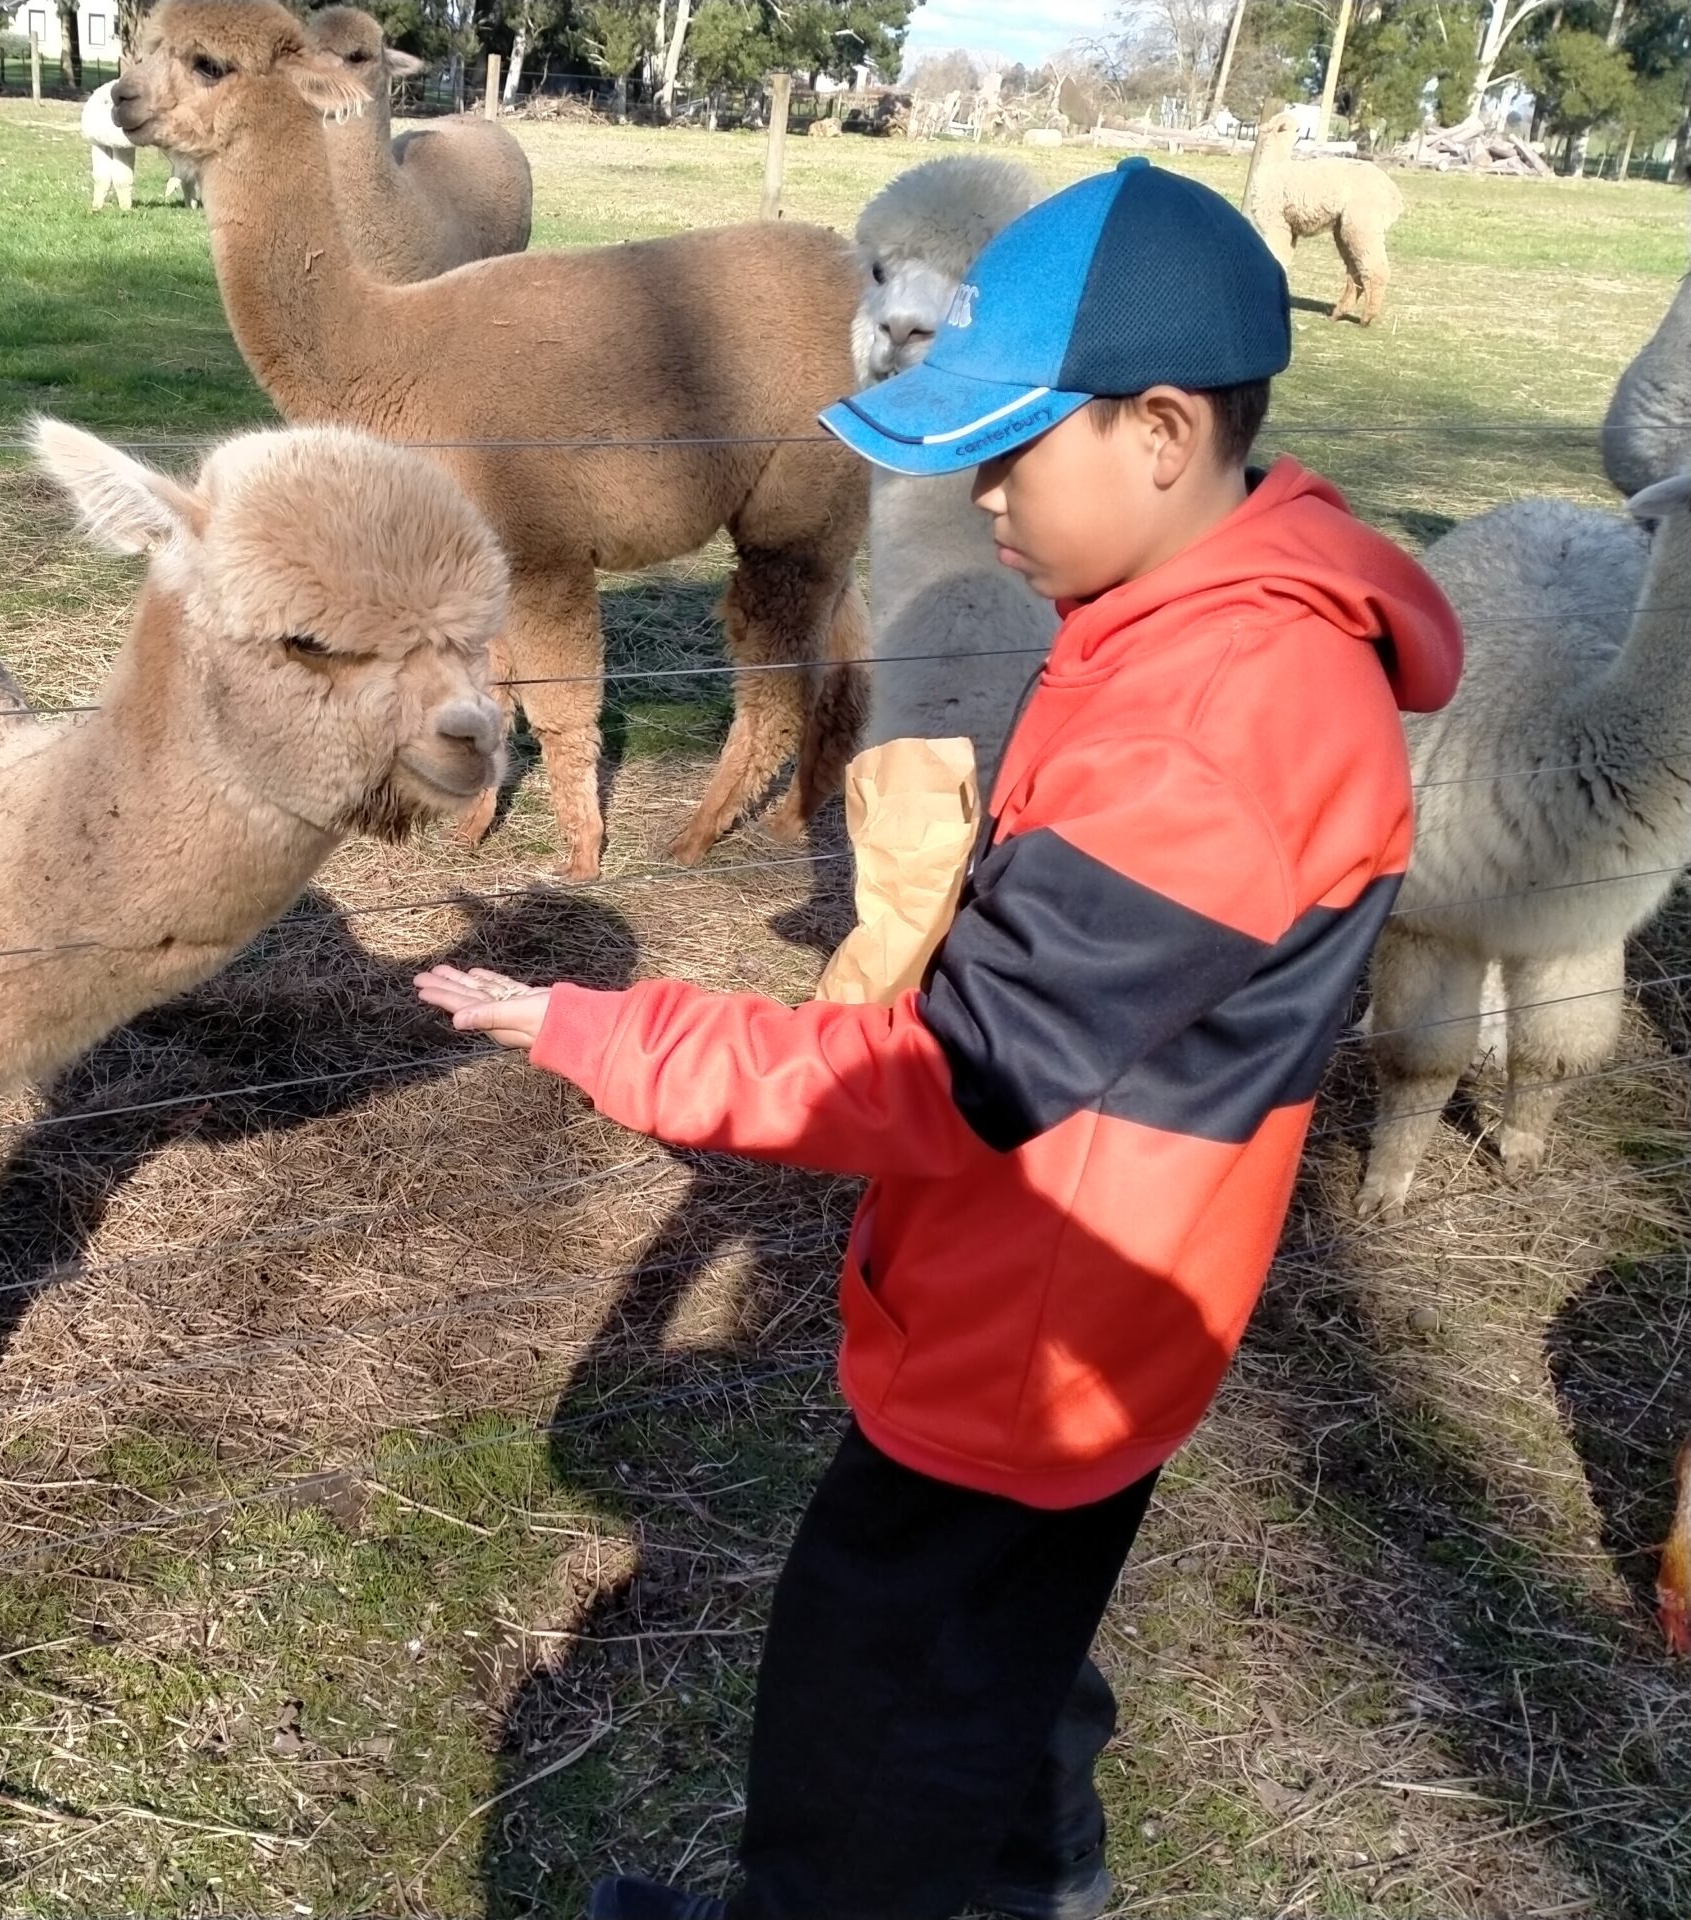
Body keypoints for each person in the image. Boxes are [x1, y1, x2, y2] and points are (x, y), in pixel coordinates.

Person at [415, 157, 1462, 1920]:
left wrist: (617, 1032)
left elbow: (954, 1077)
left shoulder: (1216, 723)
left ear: (1158, 429)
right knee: (996, 1665)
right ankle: (1038, 1882)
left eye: (1012, 446)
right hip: (1106, 1291)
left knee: (870, 1719)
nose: (978, 491)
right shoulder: (1194, 630)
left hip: (1034, 1337)